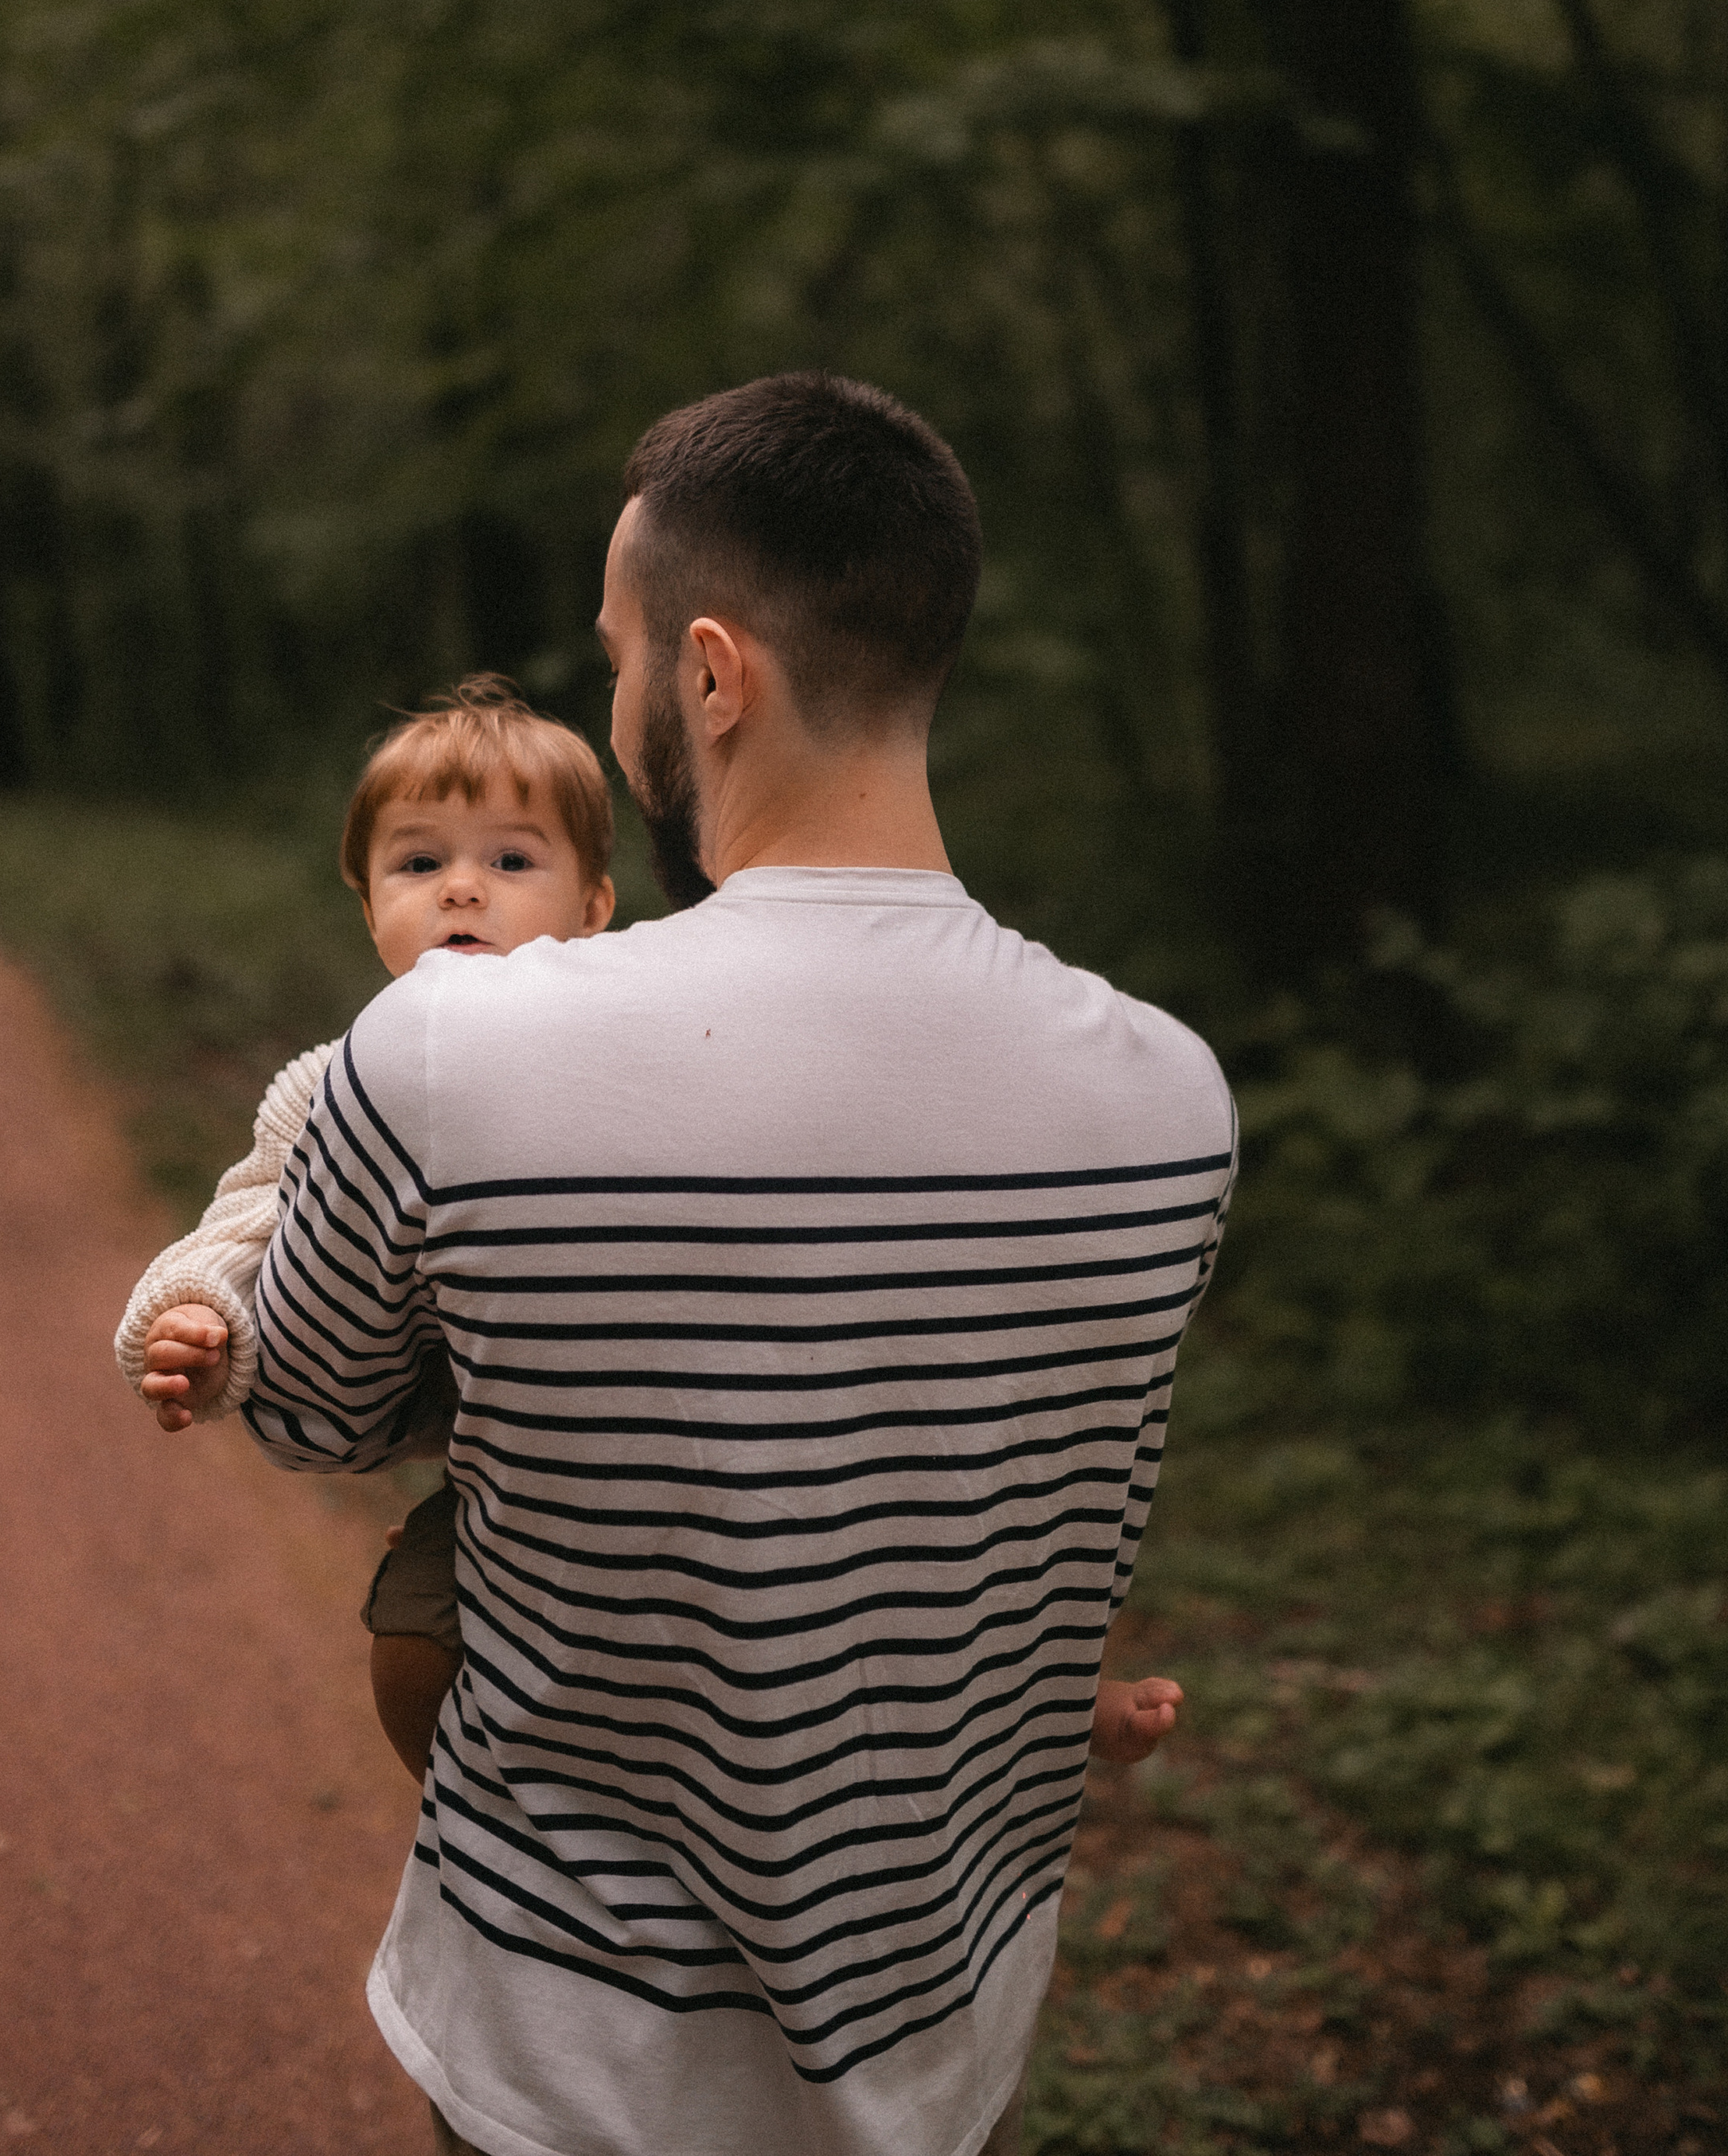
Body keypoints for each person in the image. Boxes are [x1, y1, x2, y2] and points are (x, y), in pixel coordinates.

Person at [243, 373, 1237, 2156]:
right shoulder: (1167, 1098)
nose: (610, 686)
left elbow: (307, 1416)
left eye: (620, 648)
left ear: (708, 675)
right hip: (947, 2026)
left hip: (568, 2037)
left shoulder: (454, 1048)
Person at [114, 676, 615, 1775]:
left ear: (595, 908)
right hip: (499, 1471)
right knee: (414, 1644)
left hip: (646, 1454)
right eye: (420, 863)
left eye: (513, 861)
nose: (463, 891)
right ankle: (481, 1816)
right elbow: (246, 1216)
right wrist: (196, 1314)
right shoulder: (334, 1087)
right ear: (370, 907)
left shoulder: (633, 1058)